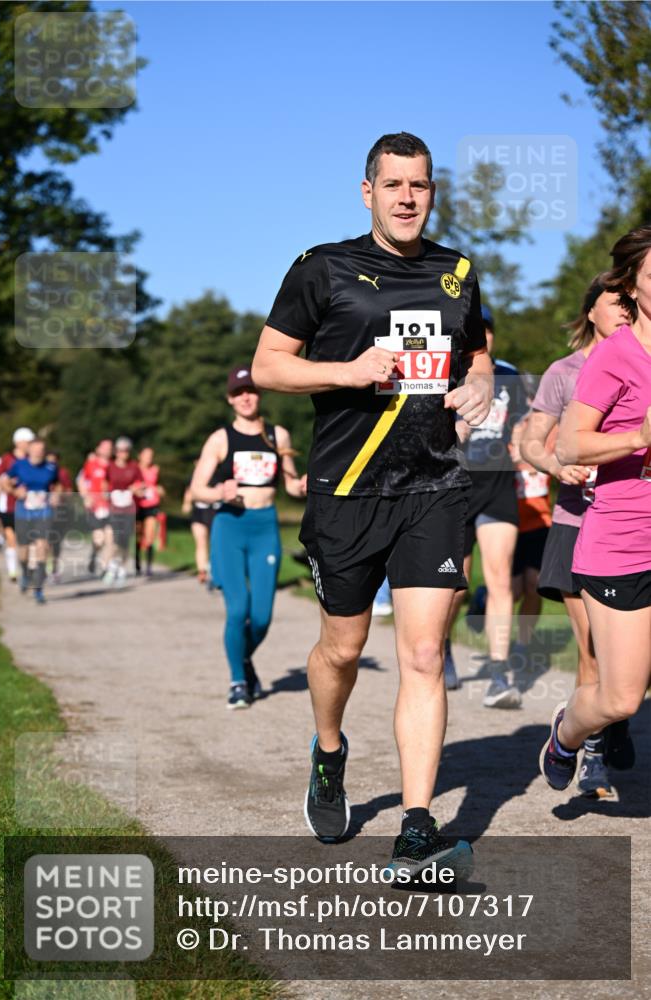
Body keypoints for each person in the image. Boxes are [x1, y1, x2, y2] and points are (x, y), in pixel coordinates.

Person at [252, 132, 492, 876]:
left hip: (432, 486)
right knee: (343, 650)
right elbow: (268, 367)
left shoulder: (457, 271)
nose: (407, 197)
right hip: (347, 490)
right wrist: (350, 370)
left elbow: (477, 351)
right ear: (367, 192)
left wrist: (481, 383)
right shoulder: (321, 267)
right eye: (393, 185)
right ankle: (329, 750)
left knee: (423, 653)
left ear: (431, 192)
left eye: (419, 185)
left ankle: (416, 825)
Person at [539, 225, 651, 794]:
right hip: (624, 542)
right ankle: (567, 735)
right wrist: (638, 436)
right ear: (631, 284)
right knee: (620, 695)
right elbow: (570, 445)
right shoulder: (614, 355)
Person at [522, 275, 630, 797]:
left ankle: (613, 713)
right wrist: (558, 466)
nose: (626, 311)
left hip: (633, 524)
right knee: (589, 646)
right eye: (616, 303)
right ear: (591, 312)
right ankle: (589, 754)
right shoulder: (565, 373)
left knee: (626, 658)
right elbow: (531, 442)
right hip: (576, 522)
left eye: (632, 302)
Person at [190, 366, 306, 708]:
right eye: (239, 392)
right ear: (230, 399)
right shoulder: (220, 439)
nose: (246, 397)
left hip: (264, 527)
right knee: (237, 608)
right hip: (230, 527)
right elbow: (197, 487)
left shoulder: (278, 436)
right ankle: (238, 681)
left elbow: (290, 484)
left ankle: (241, 657)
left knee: (262, 616)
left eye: (251, 391)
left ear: (260, 394)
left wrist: (301, 486)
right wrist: (218, 493)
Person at [443, 306, 529, 705]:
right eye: (474, 331)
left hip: (498, 488)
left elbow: (527, 427)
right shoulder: (448, 375)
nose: (483, 337)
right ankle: (442, 646)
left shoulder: (511, 377)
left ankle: (499, 671)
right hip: (456, 488)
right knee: (456, 586)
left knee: (498, 580)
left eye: (486, 331)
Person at [508, 376, 552, 653]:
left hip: (539, 519)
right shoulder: (505, 433)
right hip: (509, 521)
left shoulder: (549, 433)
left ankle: (523, 642)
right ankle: (483, 601)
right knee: (512, 590)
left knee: (534, 585)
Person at [1, 438, 60, 604]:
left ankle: (38, 589)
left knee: (42, 547)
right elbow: (4, 482)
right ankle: (26, 573)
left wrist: (55, 495)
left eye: (41, 450)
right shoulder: (19, 465)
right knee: (24, 549)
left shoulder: (51, 467)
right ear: (29, 450)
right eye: (35, 449)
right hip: (24, 512)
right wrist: (14, 491)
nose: (38, 453)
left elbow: (57, 485)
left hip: (43, 512)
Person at [0, 427, 35, 582]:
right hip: (9, 505)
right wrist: (10, 486)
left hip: (28, 505)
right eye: (28, 441)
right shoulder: (7, 458)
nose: (30, 444)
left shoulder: (32, 458)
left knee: (27, 539)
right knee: (11, 538)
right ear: (19, 442)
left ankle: (27, 567)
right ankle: (13, 571)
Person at [103, 437, 143, 587]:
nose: (123, 453)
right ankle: (113, 566)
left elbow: (141, 484)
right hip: (114, 507)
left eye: (126, 450)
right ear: (116, 452)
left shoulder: (134, 467)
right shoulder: (110, 467)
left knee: (125, 541)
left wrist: (135, 489)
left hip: (129, 507)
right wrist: (106, 492)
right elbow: (104, 483)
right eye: (120, 451)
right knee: (114, 538)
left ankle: (121, 569)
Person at [78, 440, 114, 575]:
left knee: (110, 537)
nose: (107, 450)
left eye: (110, 448)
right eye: (104, 448)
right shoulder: (91, 464)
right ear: (98, 449)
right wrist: (85, 496)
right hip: (95, 506)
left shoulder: (113, 466)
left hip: (110, 506)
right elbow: (81, 480)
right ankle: (94, 555)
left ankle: (105, 567)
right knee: (99, 539)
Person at [182, 463, 220, 586]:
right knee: (201, 541)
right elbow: (189, 490)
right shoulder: (195, 475)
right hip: (199, 512)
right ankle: (202, 570)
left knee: (215, 543)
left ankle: (215, 569)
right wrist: (187, 503)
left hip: (215, 512)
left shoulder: (219, 474)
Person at [135, 447, 165, 577]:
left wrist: (159, 490)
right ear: (139, 456)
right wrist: (138, 490)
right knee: (138, 535)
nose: (149, 458)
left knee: (150, 535)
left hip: (152, 505)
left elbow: (162, 489)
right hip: (137, 505)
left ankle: (148, 566)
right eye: (146, 455)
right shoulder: (134, 469)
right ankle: (137, 564)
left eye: (151, 455)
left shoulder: (156, 470)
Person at [45, 449, 73, 583]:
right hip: (44, 511)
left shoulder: (63, 473)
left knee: (56, 542)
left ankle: (54, 568)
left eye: (54, 460)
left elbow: (69, 492)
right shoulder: (41, 473)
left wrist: (61, 495)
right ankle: (45, 566)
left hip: (60, 511)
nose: (52, 463)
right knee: (45, 541)